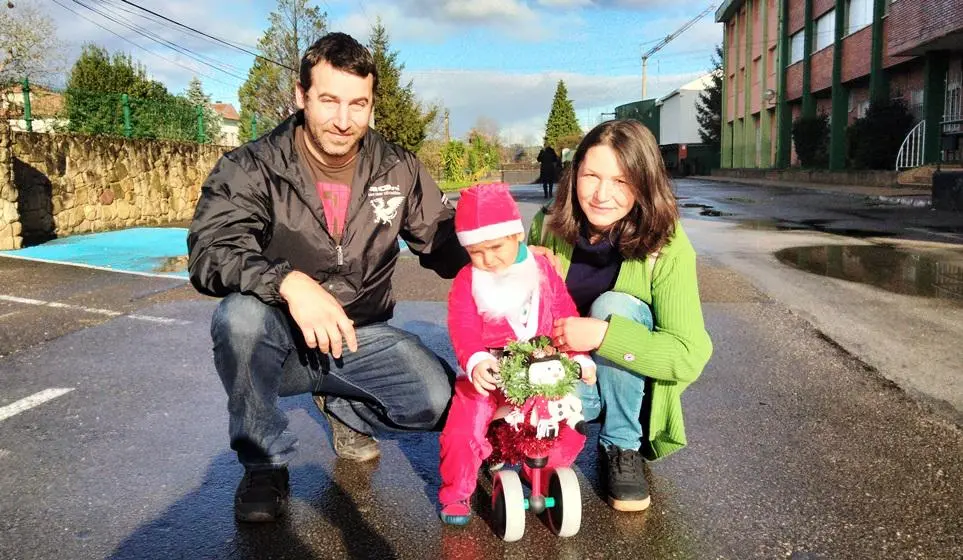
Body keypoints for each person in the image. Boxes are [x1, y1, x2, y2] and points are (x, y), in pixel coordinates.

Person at [187, 32, 469, 523]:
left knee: (439, 402)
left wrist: (495, 247)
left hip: (362, 337)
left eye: (358, 104)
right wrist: (287, 283)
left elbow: (441, 242)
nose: (343, 120)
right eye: (329, 100)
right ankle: (263, 463)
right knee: (240, 319)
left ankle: (343, 408)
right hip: (282, 339)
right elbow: (211, 250)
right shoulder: (251, 166)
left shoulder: (397, 168)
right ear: (301, 96)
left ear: (372, 104)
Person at [527, 119, 712, 512]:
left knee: (616, 306)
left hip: (631, 381)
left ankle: (621, 444)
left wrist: (603, 337)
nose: (601, 194)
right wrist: (522, 270)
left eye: (622, 181)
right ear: (574, 173)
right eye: (591, 175)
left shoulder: (668, 244)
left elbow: (689, 355)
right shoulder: (546, 224)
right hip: (565, 368)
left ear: (644, 183)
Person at [438, 183, 597, 525]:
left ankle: (542, 469)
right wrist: (476, 359)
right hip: (492, 370)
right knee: (464, 427)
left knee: (563, 422)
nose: (488, 259)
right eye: (476, 251)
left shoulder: (541, 270)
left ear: (516, 236)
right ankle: (457, 492)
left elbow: (563, 312)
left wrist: (579, 355)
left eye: (495, 247)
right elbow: (462, 323)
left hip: (543, 368)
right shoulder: (468, 279)